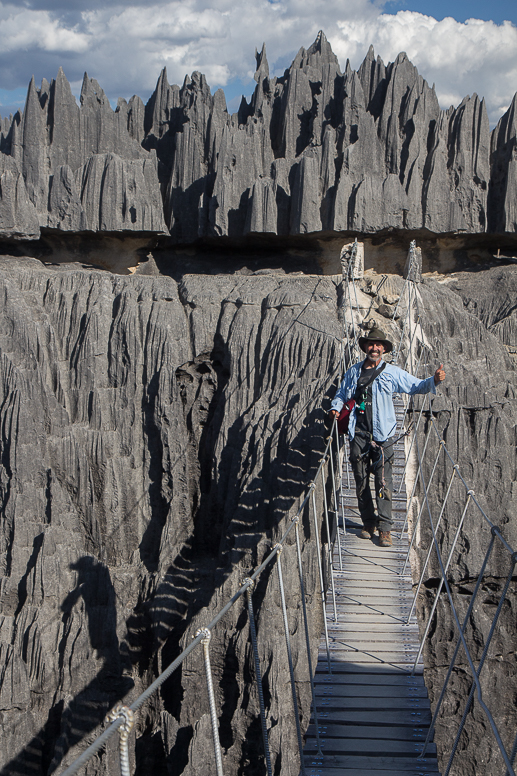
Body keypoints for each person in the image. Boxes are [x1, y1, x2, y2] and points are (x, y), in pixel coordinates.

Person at [329, 327, 446, 547]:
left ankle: (385, 529)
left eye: (378, 345)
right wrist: (335, 408)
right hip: (359, 434)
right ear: (365, 347)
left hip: (384, 437)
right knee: (361, 480)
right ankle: (368, 523)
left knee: (384, 482)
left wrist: (434, 380)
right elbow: (342, 393)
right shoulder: (354, 372)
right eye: (371, 344)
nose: (374, 348)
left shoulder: (392, 372)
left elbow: (416, 386)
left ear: (383, 349)